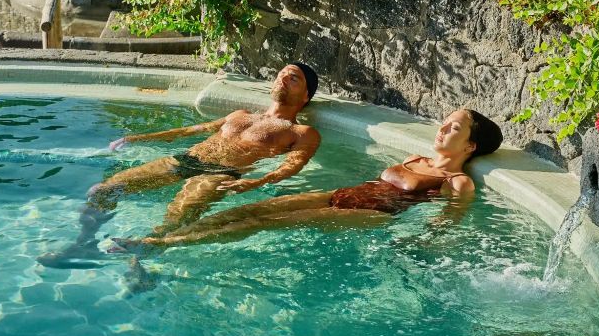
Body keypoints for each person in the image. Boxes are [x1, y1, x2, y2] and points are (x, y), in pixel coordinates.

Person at [37, 62, 322, 268]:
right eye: (282, 73)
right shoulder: (240, 114)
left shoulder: (301, 133)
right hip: (186, 160)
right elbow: (191, 131)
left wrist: (255, 182)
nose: (283, 78)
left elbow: (292, 166)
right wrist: (139, 137)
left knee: (173, 220)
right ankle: (83, 245)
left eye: (293, 78)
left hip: (220, 174)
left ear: (305, 97)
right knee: (104, 189)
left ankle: (141, 267)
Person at [119, 108, 503, 249]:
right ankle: (168, 234)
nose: (444, 127)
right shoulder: (413, 156)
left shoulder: (458, 180)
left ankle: (159, 245)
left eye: (455, 127)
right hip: (343, 194)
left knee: (266, 224)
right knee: (253, 209)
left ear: (470, 146)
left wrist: (416, 244)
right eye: (447, 121)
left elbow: (448, 224)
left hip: (373, 214)